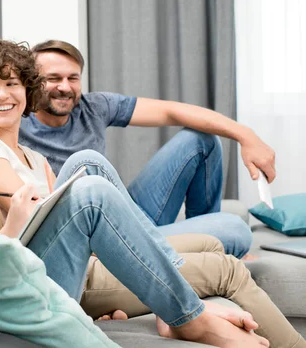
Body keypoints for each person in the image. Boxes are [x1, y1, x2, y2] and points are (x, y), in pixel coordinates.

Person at [0, 62, 270, 348]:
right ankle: (186, 313)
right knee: (90, 188)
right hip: (6, 293)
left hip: (29, 273)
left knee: (88, 167)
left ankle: (173, 300)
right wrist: (14, 227)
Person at [0, 38, 305, 348]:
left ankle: (165, 285)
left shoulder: (35, 155)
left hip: (91, 244)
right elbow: (40, 222)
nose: (2, 94)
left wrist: (245, 134)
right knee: (89, 165)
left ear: (26, 90)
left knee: (221, 239)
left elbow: (58, 222)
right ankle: (183, 307)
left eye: (11, 84)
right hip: (59, 269)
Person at [15, 39, 271, 258]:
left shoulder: (95, 106)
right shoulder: (17, 123)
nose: (65, 87)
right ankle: (195, 245)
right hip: (91, 233)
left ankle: (199, 242)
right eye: (53, 79)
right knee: (235, 229)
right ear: (33, 82)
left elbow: (171, 111)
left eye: (73, 78)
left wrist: (246, 136)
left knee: (202, 139)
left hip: (129, 215)